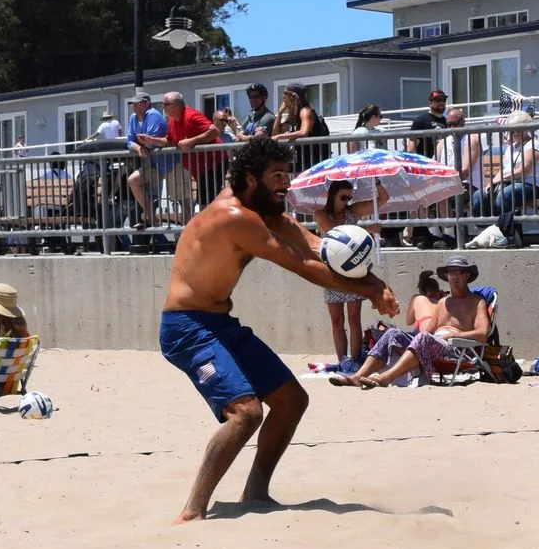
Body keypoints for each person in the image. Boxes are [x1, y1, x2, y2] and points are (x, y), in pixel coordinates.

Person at [162, 137, 396, 520]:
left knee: (291, 401)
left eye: (287, 174)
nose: (286, 184)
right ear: (250, 179)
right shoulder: (235, 217)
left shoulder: (263, 210)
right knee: (246, 413)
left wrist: (372, 280)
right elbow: (300, 265)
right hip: (187, 328)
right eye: (276, 176)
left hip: (220, 323)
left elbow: (315, 247)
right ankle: (192, 511)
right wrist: (370, 290)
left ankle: (254, 494)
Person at [337, 254, 492, 388]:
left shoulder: (476, 302)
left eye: (460, 272)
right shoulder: (443, 302)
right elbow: (427, 332)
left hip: (456, 350)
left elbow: (483, 334)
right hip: (431, 345)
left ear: (467, 275)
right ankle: (357, 377)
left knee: (423, 338)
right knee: (392, 333)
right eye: (452, 272)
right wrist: (407, 340)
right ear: (447, 276)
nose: (455, 276)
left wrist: (452, 336)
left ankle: (385, 378)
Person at [313, 180, 374, 373]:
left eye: (349, 197)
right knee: (337, 320)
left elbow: (382, 200)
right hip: (331, 271)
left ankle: (354, 360)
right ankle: (342, 361)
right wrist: (368, 230)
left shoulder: (352, 212)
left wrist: (378, 181)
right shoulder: (321, 214)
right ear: (332, 196)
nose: (347, 201)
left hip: (352, 269)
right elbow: (335, 233)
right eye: (343, 197)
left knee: (354, 318)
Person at [473, 112, 539, 245]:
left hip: (530, 184)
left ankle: (510, 235)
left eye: (518, 129)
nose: (515, 133)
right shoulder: (510, 148)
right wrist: (492, 182)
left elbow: (524, 169)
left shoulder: (533, 145)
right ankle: (486, 233)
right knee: (479, 195)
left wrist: (498, 180)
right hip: (509, 183)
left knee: (505, 195)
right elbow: (504, 169)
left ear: (527, 128)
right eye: (512, 130)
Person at [405, 87, 458, 247]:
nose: (441, 103)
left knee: (442, 197)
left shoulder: (447, 121)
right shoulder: (421, 120)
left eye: (443, 100)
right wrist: (411, 167)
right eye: (437, 100)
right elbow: (412, 144)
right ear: (430, 103)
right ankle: (435, 234)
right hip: (423, 168)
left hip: (442, 168)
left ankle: (449, 235)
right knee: (420, 202)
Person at [123, 90, 172, 226]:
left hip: (167, 164)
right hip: (151, 164)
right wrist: (139, 149)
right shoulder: (133, 118)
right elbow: (130, 141)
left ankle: (153, 221)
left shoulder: (153, 115)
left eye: (138, 103)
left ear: (147, 103)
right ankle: (150, 217)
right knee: (133, 180)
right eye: (133, 104)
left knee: (180, 199)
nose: (134, 106)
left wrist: (142, 145)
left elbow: (150, 141)